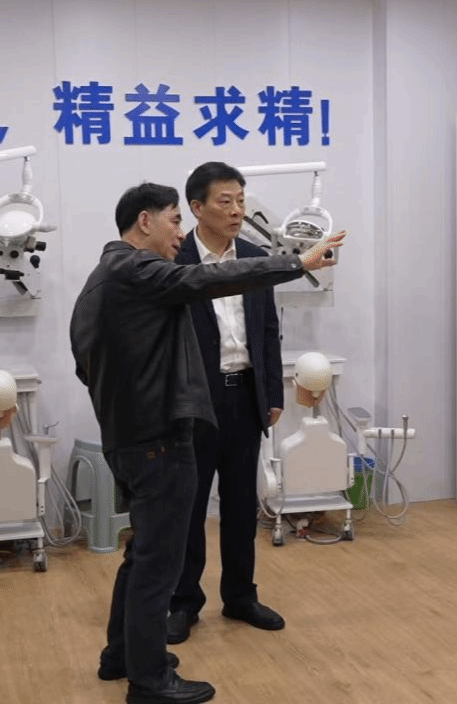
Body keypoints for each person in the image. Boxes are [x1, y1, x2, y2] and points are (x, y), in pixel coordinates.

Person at [70, 181, 344, 704]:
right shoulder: (138, 269)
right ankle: (149, 681)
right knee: (158, 563)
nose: (181, 232)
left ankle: (121, 655)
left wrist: (124, 398)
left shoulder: (102, 277)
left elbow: (84, 361)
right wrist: (298, 262)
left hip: (129, 436)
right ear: (145, 221)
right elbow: (208, 278)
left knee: (143, 553)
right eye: (175, 219)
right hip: (157, 438)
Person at [167, 162, 285, 645]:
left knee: (240, 505)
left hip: (244, 395)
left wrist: (272, 392)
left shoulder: (255, 257)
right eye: (225, 201)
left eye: (240, 200)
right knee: (189, 507)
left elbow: (268, 330)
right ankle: (183, 602)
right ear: (197, 207)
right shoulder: (174, 261)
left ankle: (240, 596)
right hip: (195, 400)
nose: (237, 210)